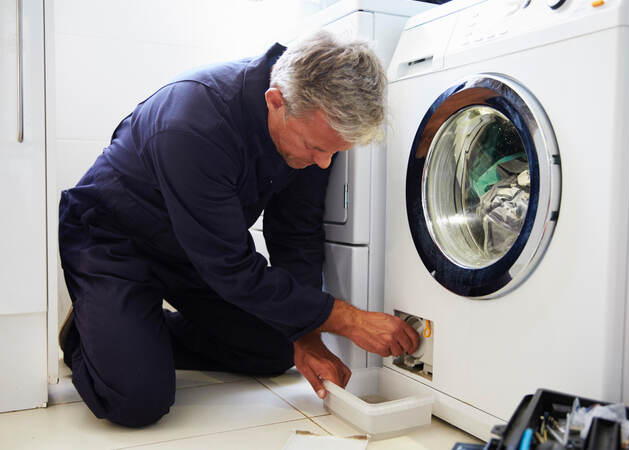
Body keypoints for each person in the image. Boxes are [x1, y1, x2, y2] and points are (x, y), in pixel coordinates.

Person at [58, 30, 420, 428]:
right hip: (113, 240)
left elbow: (295, 234)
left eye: (335, 151)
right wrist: (346, 318)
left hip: (192, 250)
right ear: (276, 102)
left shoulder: (310, 130)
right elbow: (231, 268)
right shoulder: (194, 121)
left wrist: (308, 335)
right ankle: (89, 334)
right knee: (136, 400)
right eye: (316, 148)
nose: (323, 163)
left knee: (275, 350)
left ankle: (139, 332)